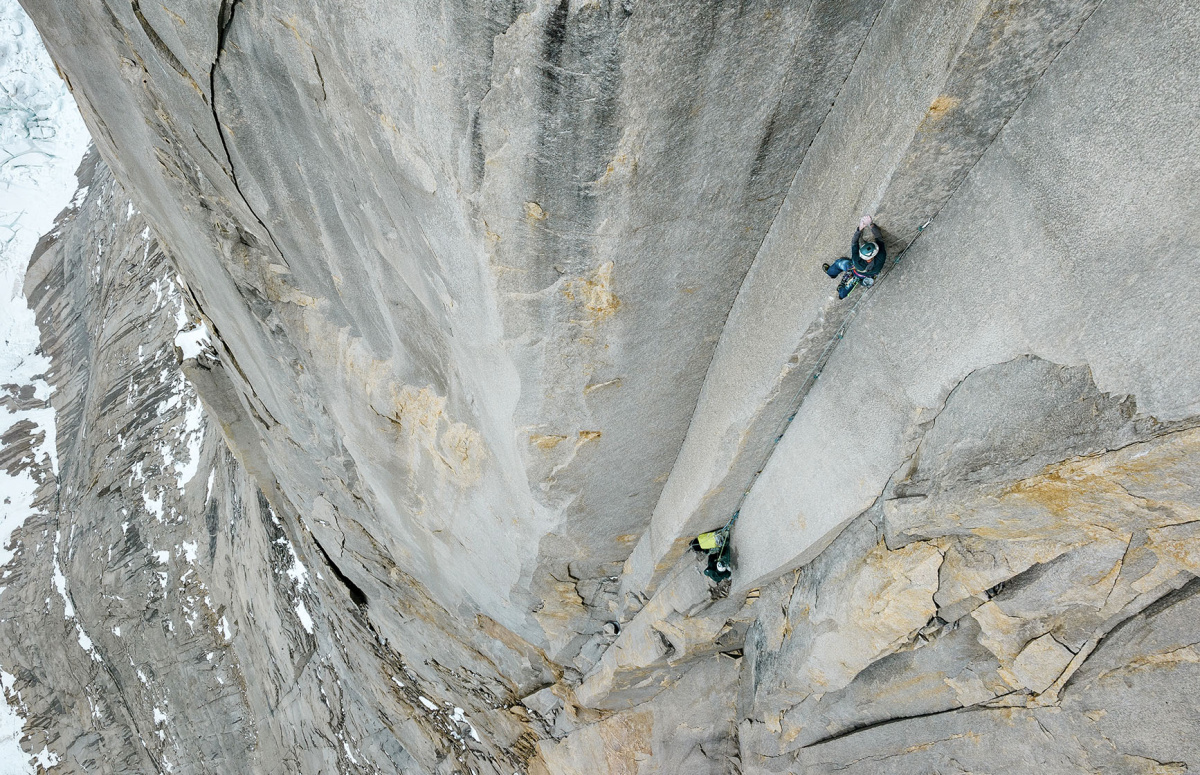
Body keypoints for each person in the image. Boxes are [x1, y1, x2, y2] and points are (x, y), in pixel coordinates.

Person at [823, 215, 886, 299]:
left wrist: (859, 229)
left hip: (855, 270)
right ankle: (841, 294)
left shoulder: (857, 260)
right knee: (844, 292)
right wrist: (871, 224)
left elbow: (854, 242)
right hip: (866, 276)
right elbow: (879, 237)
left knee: (839, 263)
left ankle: (831, 273)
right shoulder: (881, 256)